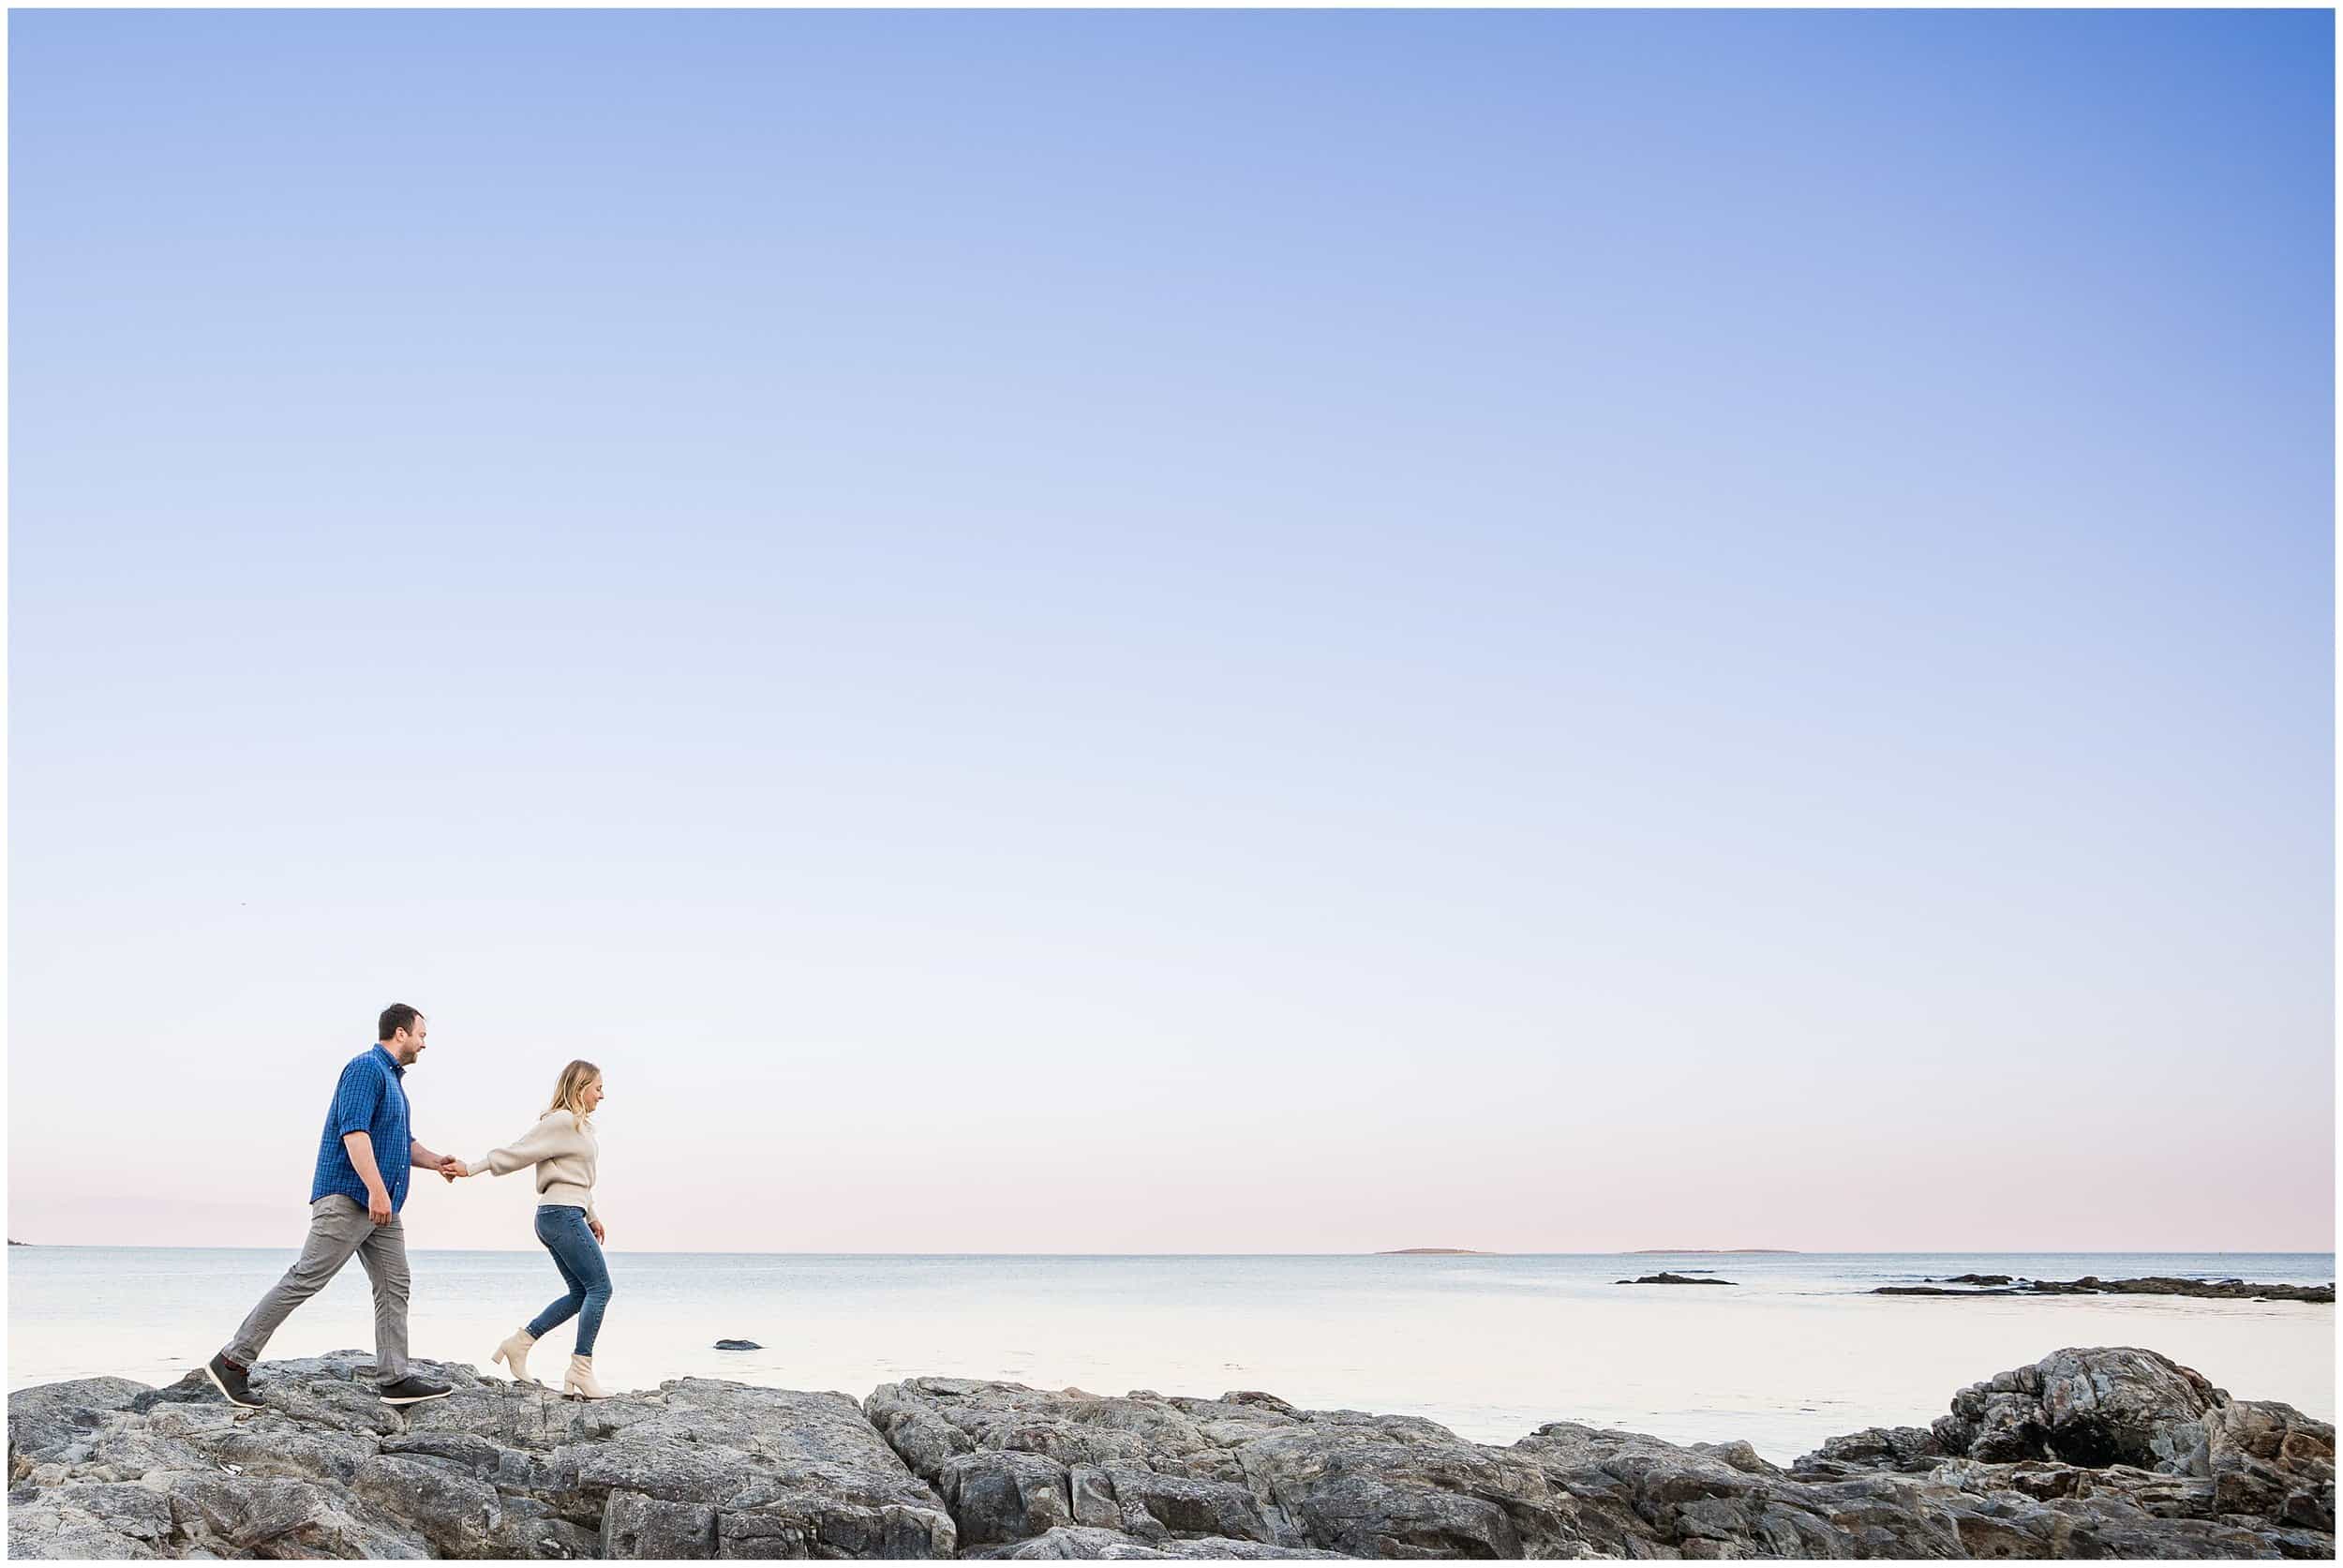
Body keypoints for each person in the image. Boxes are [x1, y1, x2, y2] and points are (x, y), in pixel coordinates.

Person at [204, 1005, 463, 1409]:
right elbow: (354, 1133)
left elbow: (403, 1143)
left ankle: (394, 1378)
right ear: (400, 1033)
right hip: (351, 1196)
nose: (424, 1042)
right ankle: (232, 1362)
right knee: (305, 1278)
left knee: (396, 1284)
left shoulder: (394, 1083)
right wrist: (376, 1190)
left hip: (382, 1205)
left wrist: (437, 1162)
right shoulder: (365, 1069)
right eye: (421, 1034)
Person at [455, 1059, 612, 1399]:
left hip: (567, 1212)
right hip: (560, 1214)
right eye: (598, 1088)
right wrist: (470, 1168)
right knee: (601, 1288)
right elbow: (518, 1152)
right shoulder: (561, 1122)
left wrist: (591, 1213)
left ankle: (519, 1344)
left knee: (581, 1293)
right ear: (580, 1087)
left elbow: (576, 1176)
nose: (603, 1095)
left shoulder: (580, 1128)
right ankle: (580, 1370)